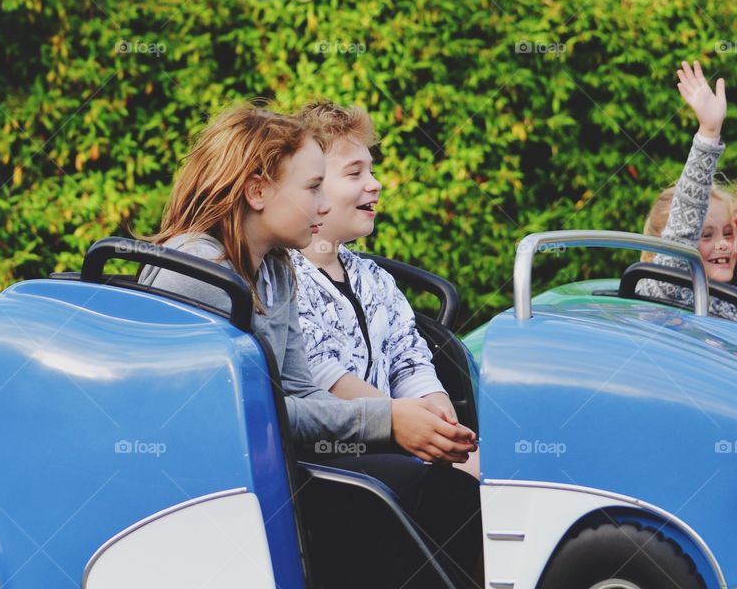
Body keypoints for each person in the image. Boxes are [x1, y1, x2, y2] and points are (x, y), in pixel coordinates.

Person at [136, 104, 482, 587]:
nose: (323, 205)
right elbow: (245, 415)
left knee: (443, 493)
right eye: (313, 188)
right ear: (258, 191)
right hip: (216, 480)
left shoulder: (276, 269)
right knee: (403, 496)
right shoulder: (200, 272)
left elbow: (299, 393)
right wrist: (387, 421)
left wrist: (400, 424)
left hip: (276, 460)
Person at [291, 100, 481, 482]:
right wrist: (401, 423)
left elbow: (409, 359)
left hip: (401, 434)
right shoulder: (284, 277)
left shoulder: (375, 278)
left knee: (482, 471)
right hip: (335, 453)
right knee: (451, 484)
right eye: (354, 173)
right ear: (311, 186)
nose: (374, 184)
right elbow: (321, 373)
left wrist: (440, 421)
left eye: (372, 170)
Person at [638, 61, 737, 333]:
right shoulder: (662, 289)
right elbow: (682, 232)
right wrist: (709, 134)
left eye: (728, 234)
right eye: (705, 236)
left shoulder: (731, 302)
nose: (723, 245)